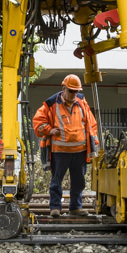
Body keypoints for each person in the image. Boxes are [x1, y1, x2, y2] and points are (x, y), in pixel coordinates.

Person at [33, 74, 100, 217]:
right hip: (60, 152)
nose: (73, 94)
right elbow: (38, 122)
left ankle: (75, 207)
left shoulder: (82, 102)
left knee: (79, 182)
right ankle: (55, 208)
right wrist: (49, 130)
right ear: (63, 88)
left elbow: (91, 124)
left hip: (80, 152)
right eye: (71, 91)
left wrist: (94, 143)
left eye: (76, 91)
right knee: (56, 181)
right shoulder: (51, 104)